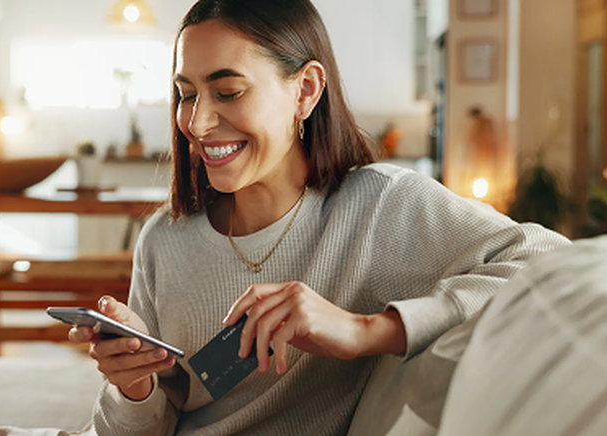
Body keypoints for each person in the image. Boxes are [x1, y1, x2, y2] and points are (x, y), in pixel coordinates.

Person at [62, 1, 569, 435]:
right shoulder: (163, 241)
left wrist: (370, 330)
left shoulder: (379, 207)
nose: (197, 122)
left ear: (305, 90)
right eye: (187, 94)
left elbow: (548, 258)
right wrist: (133, 386)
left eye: (228, 91)